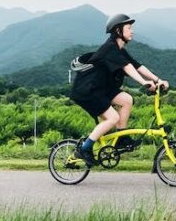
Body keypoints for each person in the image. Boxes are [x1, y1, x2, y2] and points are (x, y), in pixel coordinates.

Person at [70, 13, 169, 166]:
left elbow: (137, 65)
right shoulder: (110, 48)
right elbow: (127, 67)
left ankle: (120, 138)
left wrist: (158, 80)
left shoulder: (119, 49)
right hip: (89, 91)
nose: (132, 31)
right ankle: (85, 148)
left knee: (127, 100)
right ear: (118, 31)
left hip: (104, 89)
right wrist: (144, 82)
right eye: (128, 28)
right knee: (112, 118)